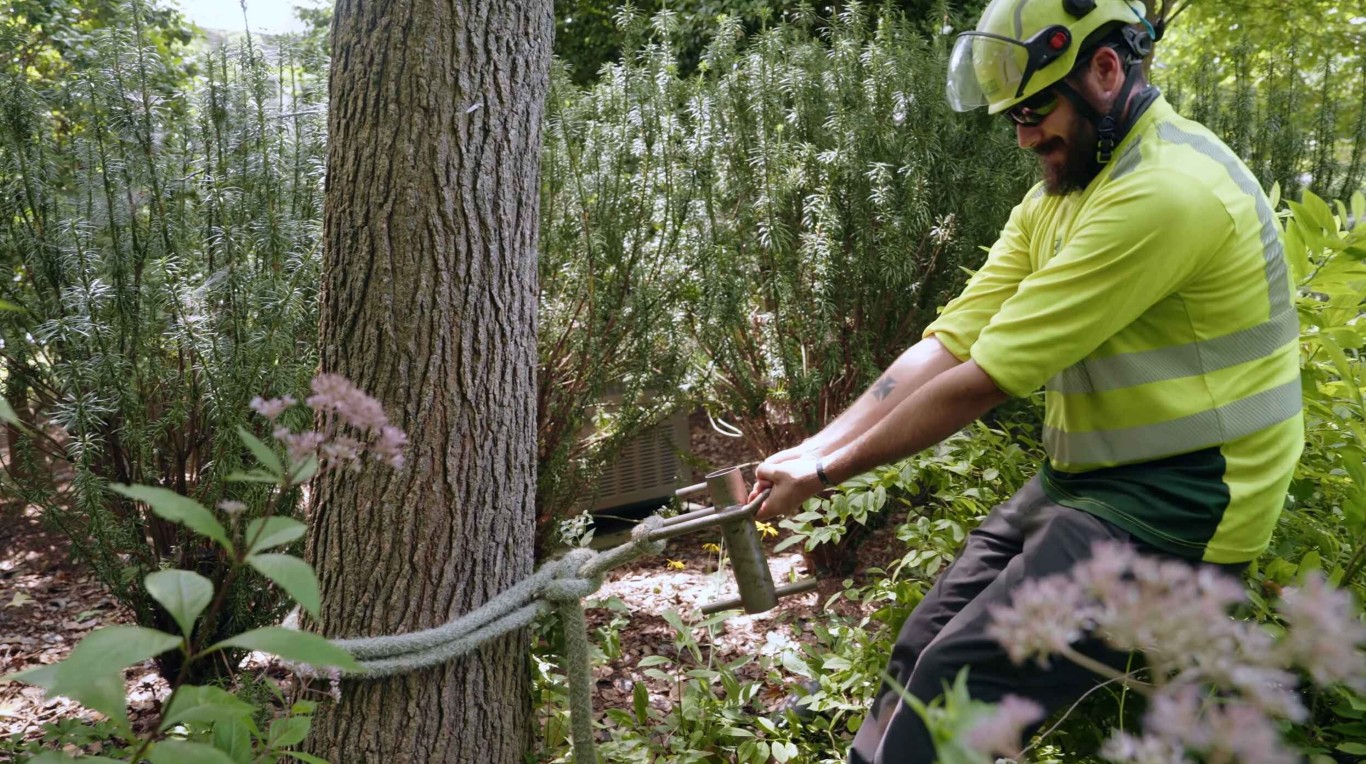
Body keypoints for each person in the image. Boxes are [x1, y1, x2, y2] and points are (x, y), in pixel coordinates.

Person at [747, 0, 1305, 761]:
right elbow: (951, 342)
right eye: (1012, 117)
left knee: (957, 684)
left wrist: (828, 473)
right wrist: (809, 450)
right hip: (1093, 480)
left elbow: (983, 380)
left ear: (1106, 71)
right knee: (922, 647)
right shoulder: (1062, 195)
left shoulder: (1165, 194)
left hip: (1190, 505)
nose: (1024, 136)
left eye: (1037, 109)